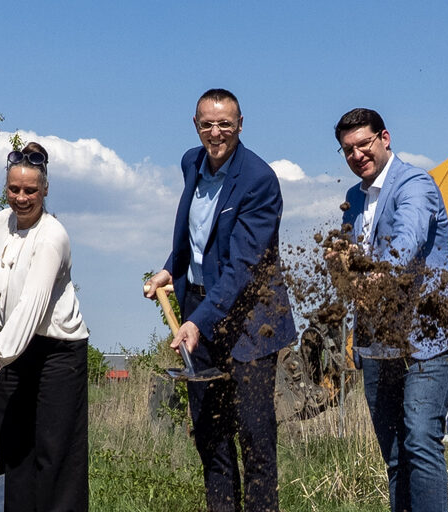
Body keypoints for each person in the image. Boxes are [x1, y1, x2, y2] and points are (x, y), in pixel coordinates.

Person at [140, 88, 297, 512]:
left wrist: (198, 321)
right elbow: (199, 237)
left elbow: (242, 268)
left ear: (240, 125)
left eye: (225, 124)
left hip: (251, 321)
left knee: (254, 435)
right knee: (210, 433)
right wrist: (172, 268)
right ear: (196, 125)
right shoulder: (191, 162)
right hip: (200, 312)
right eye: (207, 124)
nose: (216, 132)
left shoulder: (258, 180)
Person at [330, 108, 448, 512]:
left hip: (429, 336)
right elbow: (354, 261)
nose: (358, 155)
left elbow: (408, 241)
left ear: (385, 138)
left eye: (364, 144)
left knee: (419, 439)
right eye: (348, 150)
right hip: (379, 341)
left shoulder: (415, 184)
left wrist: (378, 277)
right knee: (395, 452)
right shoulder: (353, 198)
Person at [0, 142, 92, 512]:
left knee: (55, 456)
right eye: (14, 189)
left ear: (45, 189)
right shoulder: (1, 222)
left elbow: (31, 309)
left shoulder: (52, 237)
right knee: (14, 451)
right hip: (11, 353)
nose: (21, 198)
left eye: (30, 190)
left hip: (57, 354)